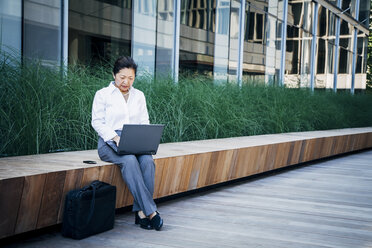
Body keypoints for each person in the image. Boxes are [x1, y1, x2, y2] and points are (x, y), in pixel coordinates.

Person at [91, 56, 163, 231]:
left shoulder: (139, 95)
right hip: (109, 142)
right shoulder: (103, 94)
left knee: (147, 161)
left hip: (134, 139)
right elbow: (97, 122)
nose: (126, 82)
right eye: (122, 77)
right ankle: (151, 212)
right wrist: (115, 138)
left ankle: (140, 213)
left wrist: (144, 140)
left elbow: (144, 121)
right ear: (114, 75)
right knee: (129, 160)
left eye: (130, 78)